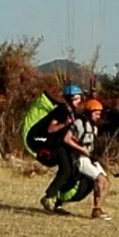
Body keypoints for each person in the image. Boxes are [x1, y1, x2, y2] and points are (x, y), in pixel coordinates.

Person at [25, 83, 86, 213]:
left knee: (71, 173)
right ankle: (49, 197)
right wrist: (65, 123)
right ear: (69, 98)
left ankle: (58, 204)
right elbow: (51, 128)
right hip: (56, 145)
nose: (78, 101)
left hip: (65, 145)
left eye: (79, 98)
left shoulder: (72, 111)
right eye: (76, 98)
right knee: (66, 170)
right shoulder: (62, 111)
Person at [71, 99, 112, 220]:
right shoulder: (79, 123)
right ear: (89, 112)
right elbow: (67, 139)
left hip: (89, 158)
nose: (99, 116)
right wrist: (80, 149)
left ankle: (97, 208)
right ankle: (96, 210)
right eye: (96, 113)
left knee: (107, 182)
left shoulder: (94, 128)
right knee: (100, 180)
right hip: (80, 158)